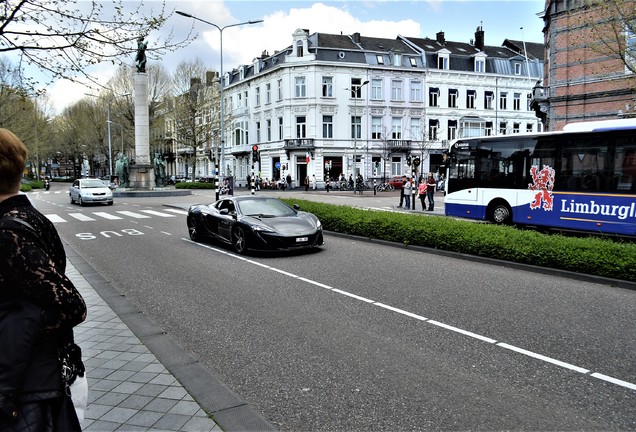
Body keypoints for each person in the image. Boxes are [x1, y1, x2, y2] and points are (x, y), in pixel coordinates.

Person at [0, 128, 87, 431]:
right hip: (48, 378)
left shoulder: (8, 232)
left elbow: (71, 305)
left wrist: (13, 336)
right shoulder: (30, 217)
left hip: (35, 392)